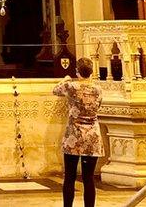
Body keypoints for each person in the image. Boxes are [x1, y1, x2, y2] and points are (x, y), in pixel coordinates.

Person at [52, 57, 103, 207]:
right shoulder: (98, 89)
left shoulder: (71, 86)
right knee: (88, 178)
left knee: (70, 176)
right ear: (91, 72)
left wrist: (65, 79)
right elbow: (98, 106)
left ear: (77, 72)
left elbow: (55, 90)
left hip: (73, 135)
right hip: (92, 136)